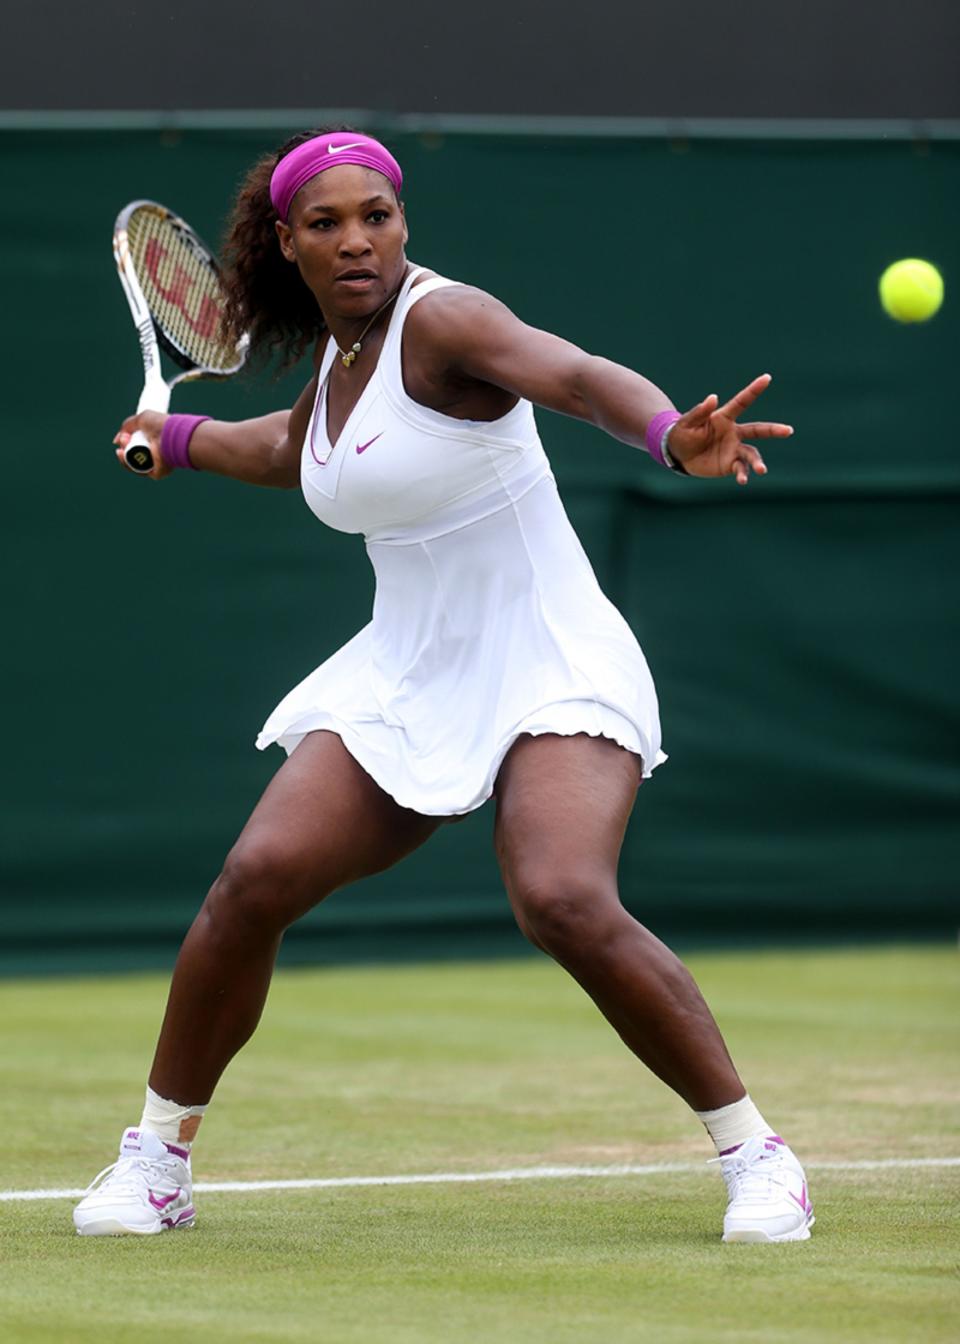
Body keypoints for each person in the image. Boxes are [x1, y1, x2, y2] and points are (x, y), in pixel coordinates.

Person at [73, 129, 814, 1243]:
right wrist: (178, 438)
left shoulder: (446, 320)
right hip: (409, 670)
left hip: (549, 655)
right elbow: (293, 452)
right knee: (255, 878)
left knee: (560, 898)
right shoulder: (335, 373)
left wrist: (667, 432)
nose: (357, 240)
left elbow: (570, 374)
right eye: (326, 224)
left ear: (404, 222)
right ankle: (157, 1161)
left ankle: (758, 1156)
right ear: (288, 243)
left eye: (377, 214)